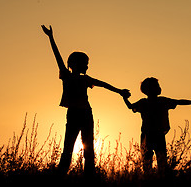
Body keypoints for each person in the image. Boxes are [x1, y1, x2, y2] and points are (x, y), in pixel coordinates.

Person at [41, 25, 130, 176]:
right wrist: (51, 37)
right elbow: (58, 57)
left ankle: (89, 176)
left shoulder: (85, 79)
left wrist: (120, 91)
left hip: (86, 114)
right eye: (84, 63)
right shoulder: (67, 75)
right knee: (68, 147)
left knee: (88, 148)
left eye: (87, 63)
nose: (87, 66)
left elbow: (103, 84)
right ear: (74, 64)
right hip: (75, 113)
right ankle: (61, 174)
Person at [123, 77, 191, 174]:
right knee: (156, 162)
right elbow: (179, 102)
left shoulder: (148, 102)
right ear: (150, 89)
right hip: (154, 135)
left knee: (151, 162)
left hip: (152, 135)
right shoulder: (160, 101)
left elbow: (130, 106)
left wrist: (124, 97)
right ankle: (156, 180)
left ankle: (153, 180)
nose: (159, 88)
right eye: (157, 86)